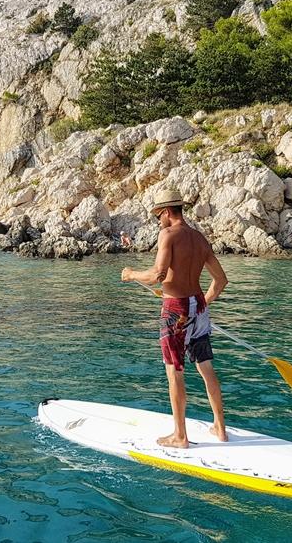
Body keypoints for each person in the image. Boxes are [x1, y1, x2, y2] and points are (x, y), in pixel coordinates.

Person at [121, 189, 229, 448]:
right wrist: (200, 305)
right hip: (197, 306)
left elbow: (157, 274)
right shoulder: (200, 238)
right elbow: (220, 281)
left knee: (174, 370)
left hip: (175, 310)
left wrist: (131, 275)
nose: (158, 221)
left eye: (158, 215)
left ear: (167, 212)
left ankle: (180, 436)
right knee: (206, 367)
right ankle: (220, 428)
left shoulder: (168, 234)